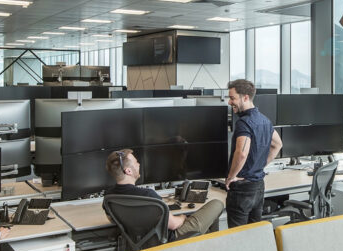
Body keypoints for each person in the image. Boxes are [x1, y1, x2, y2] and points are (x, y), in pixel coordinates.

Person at [105, 149, 223, 239]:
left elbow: (113, 220)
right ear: (128, 171)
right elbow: (173, 225)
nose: (139, 164)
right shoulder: (148, 195)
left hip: (141, 240)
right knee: (217, 204)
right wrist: (183, 217)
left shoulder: (109, 196)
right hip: (169, 237)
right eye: (136, 162)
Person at [225, 79, 282, 227]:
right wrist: (260, 165)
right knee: (254, 234)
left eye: (232, 98)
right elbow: (277, 145)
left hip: (242, 188)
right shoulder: (265, 120)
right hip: (258, 186)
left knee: (237, 238)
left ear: (245, 97)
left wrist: (231, 177)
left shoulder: (243, 123)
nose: (230, 102)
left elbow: (242, 153)